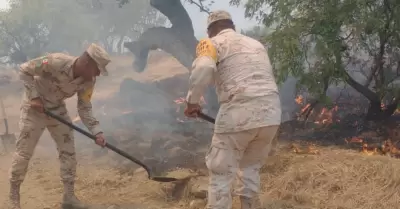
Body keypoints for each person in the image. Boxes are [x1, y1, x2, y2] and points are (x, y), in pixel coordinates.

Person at [184, 10, 282, 209]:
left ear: (211, 30)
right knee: (250, 170)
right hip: (271, 115)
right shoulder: (256, 44)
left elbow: (203, 69)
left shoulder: (210, 43)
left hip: (238, 112)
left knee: (221, 174)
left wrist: (192, 102)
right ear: (232, 26)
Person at [8, 43, 110, 209]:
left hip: (56, 110)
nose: (98, 74)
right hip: (33, 110)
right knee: (24, 152)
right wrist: (34, 97)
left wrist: (96, 131)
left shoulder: (89, 81)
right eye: (97, 69)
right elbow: (24, 70)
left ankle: (69, 197)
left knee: (68, 151)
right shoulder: (55, 61)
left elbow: (84, 108)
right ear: (86, 62)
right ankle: (14, 197)